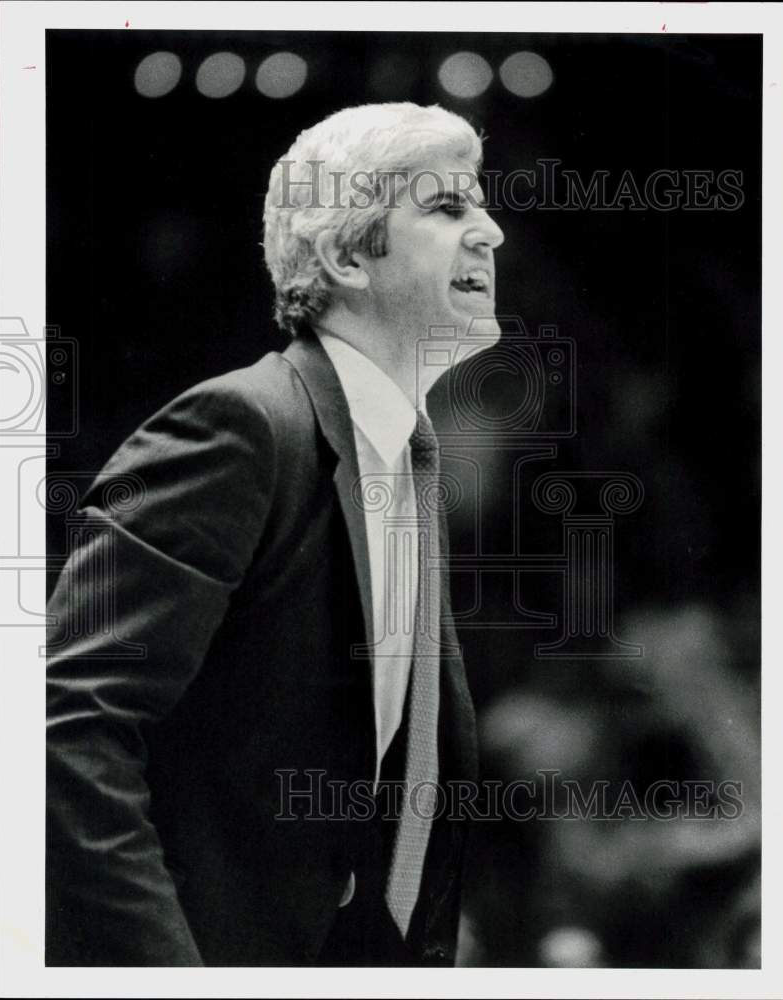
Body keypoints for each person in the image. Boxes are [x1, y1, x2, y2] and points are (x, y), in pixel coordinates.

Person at [45, 101, 505, 967]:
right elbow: (68, 726)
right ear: (342, 255)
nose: (490, 232)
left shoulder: (408, 455)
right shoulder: (239, 427)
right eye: (447, 207)